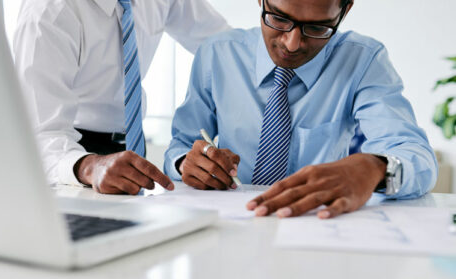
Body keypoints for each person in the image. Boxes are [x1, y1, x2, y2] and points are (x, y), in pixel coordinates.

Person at [164, 0, 438, 218]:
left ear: (346, 9)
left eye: (317, 28)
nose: (291, 44)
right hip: (228, 224)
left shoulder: (363, 60)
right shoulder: (217, 53)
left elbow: (418, 158)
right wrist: (186, 162)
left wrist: (375, 168)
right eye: (279, 19)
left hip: (315, 225)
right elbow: (181, 145)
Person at [13, 0, 230, 194]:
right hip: (72, 158)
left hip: (132, 146)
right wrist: (88, 166)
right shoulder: (48, 10)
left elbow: (227, 48)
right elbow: (39, 135)